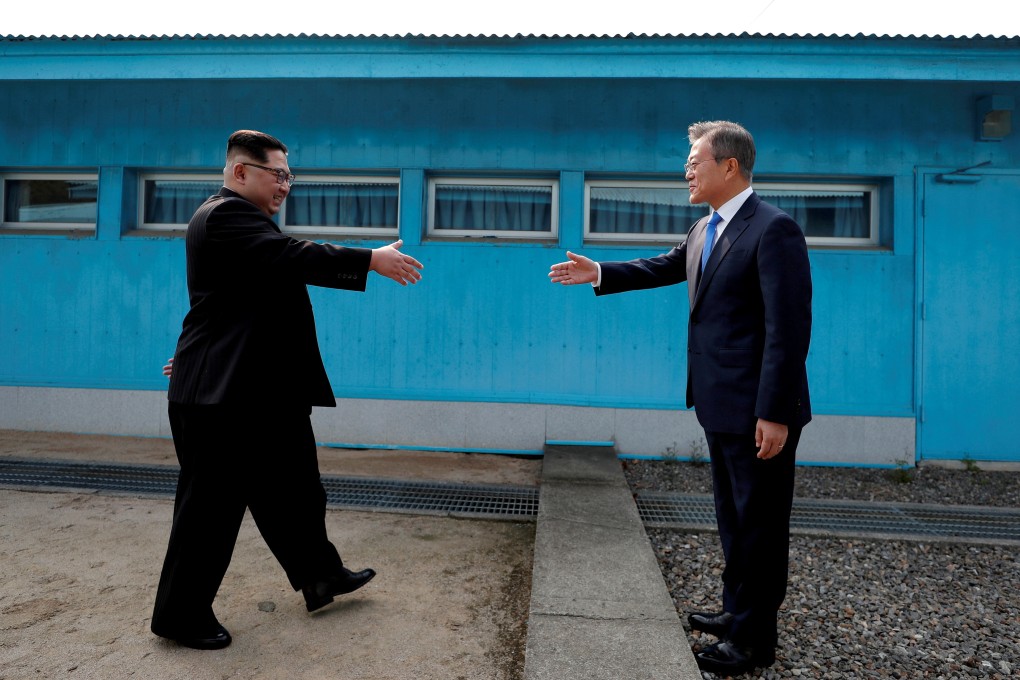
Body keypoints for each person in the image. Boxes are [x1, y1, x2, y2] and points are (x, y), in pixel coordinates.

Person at [549, 120, 811, 675]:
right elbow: (662, 266)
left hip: (759, 410)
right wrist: (599, 271)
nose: (686, 169)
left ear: (730, 166)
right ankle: (736, 611)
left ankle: (753, 642)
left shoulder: (774, 230)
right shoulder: (703, 229)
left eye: (696, 159)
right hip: (718, 402)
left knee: (760, 526)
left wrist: (774, 412)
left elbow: (788, 330)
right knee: (732, 518)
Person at [151, 129, 423, 651]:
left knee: (296, 492)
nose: (285, 186)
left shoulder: (249, 226)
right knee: (209, 511)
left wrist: (196, 357)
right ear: (239, 173)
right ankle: (180, 616)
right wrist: (369, 259)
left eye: (289, 176)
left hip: (255, 391)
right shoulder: (225, 214)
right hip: (221, 403)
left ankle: (321, 576)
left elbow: (235, 310)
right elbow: (295, 255)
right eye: (277, 174)